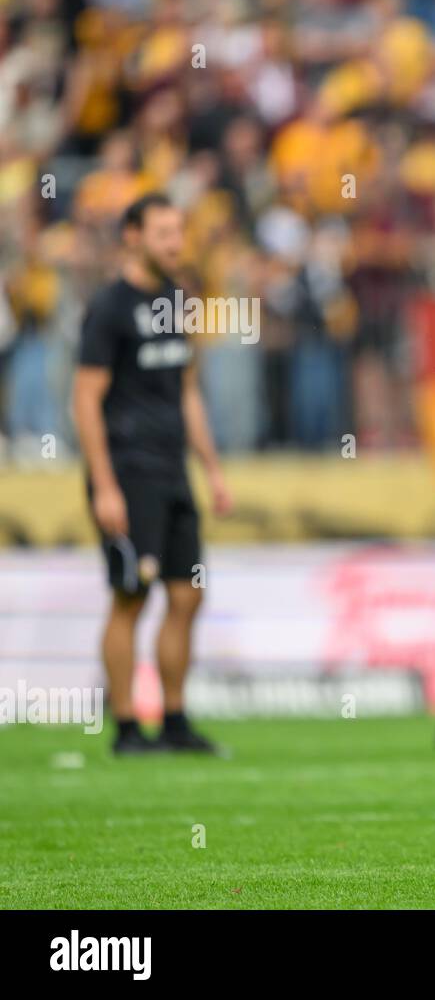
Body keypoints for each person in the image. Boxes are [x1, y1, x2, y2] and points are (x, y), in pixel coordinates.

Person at [72, 192, 232, 756]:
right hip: (127, 470)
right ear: (133, 237)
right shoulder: (110, 307)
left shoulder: (177, 300)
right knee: (130, 598)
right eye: (164, 232)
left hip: (172, 470)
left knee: (187, 595)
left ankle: (174, 719)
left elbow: (187, 391)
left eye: (179, 231)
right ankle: (124, 728)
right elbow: (86, 399)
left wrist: (211, 470)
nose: (175, 242)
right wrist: (105, 484)